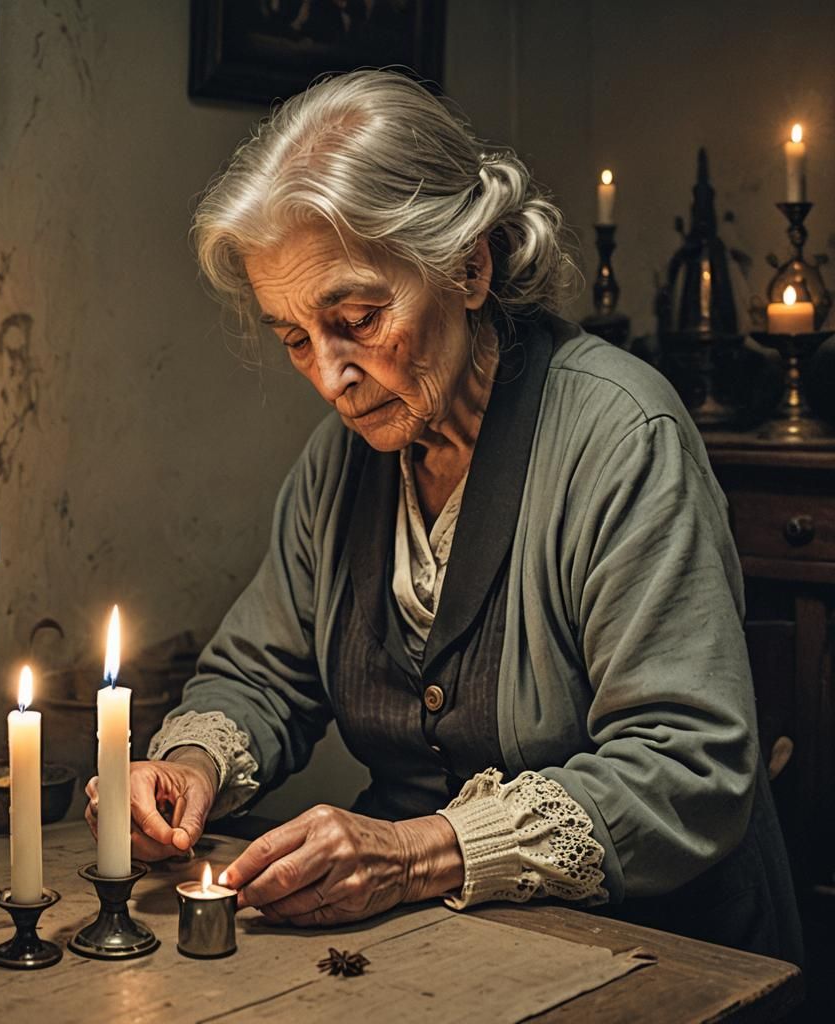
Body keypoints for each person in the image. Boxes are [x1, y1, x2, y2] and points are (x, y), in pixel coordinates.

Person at [86, 70, 802, 962]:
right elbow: (260, 677)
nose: (331, 378)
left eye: (358, 317)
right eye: (295, 337)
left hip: (661, 952)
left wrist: (416, 850)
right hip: (445, 955)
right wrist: (188, 770)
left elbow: (691, 768)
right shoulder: (342, 462)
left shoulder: (621, 436)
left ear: (469, 265)